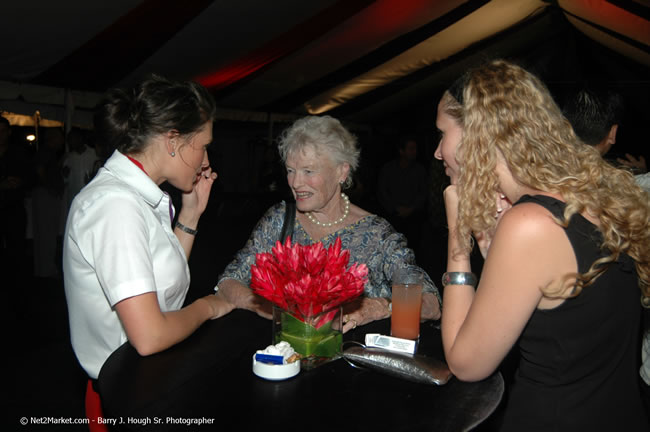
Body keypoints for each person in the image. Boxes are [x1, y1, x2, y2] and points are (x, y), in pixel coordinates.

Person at [434, 60, 649, 430]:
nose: (438, 152)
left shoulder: (531, 223)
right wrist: (490, 244)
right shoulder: (593, 198)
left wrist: (458, 237)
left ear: (478, 135)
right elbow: (566, 323)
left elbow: (466, 363)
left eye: (442, 133)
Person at [63, 75, 233, 384]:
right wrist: (210, 305)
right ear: (172, 141)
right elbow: (150, 335)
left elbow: (165, 289)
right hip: (125, 393)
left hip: (144, 380)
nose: (206, 160)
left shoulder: (137, 197)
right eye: (203, 146)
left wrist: (191, 215)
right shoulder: (116, 205)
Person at [215, 115, 441, 332]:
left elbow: (431, 303)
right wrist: (268, 308)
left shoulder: (375, 234)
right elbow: (228, 281)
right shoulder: (279, 220)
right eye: (291, 170)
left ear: (342, 172)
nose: (296, 182)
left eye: (308, 171)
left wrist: (383, 306)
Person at [376, 136, 428, 253]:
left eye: (415, 148)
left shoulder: (420, 170)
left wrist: (411, 208)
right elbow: (382, 191)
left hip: (414, 219)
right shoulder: (388, 169)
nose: (414, 152)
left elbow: (424, 192)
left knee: (414, 249)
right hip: (393, 218)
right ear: (401, 151)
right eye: (411, 149)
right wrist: (395, 208)